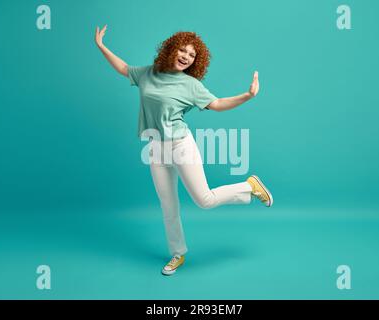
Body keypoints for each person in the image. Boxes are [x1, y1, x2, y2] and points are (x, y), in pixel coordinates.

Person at [95, 26, 274, 276]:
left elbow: (218, 104)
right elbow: (124, 69)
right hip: (155, 147)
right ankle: (177, 254)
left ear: (195, 61)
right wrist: (102, 46)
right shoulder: (149, 73)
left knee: (205, 200)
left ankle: (249, 186)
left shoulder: (191, 85)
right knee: (168, 205)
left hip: (181, 145)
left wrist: (248, 96)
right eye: (182, 50)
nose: (186, 56)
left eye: (192, 55)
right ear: (171, 49)